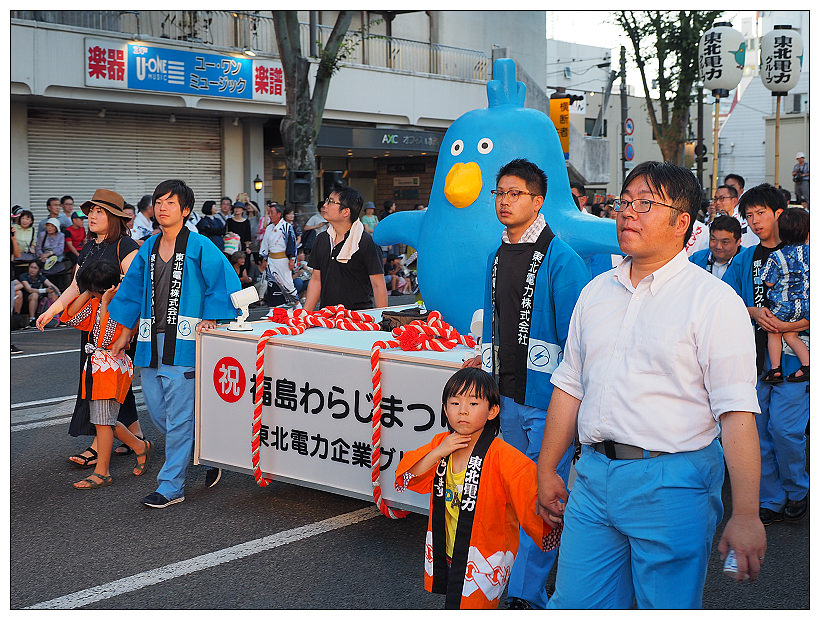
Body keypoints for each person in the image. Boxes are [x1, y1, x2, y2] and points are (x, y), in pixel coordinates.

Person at [537, 161, 766, 609]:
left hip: (673, 481)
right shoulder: (596, 291)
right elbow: (569, 386)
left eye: (645, 204)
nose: (628, 212)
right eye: (624, 202)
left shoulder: (713, 302)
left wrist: (746, 513)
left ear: (683, 223)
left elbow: (737, 413)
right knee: (573, 604)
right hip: (593, 476)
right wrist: (547, 469)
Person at [462, 158, 589, 609]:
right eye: (499, 193)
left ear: (538, 201)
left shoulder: (562, 258)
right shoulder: (497, 255)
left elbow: (579, 339)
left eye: (515, 194)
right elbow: (492, 324)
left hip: (548, 398)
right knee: (514, 493)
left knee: (541, 492)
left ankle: (526, 593)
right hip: (507, 396)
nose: (504, 201)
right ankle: (516, 584)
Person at [108, 179, 241, 508]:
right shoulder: (149, 247)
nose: (162, 207)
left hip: (184, 342)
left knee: (179, 418)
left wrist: (212, 316)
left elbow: (223, 281)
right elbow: (131, 291)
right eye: (158, 202)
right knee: (159, 414)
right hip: (150, 342)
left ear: (185, 210)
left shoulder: (200, 246)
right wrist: (123, 333)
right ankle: (207, 451)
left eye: (170, 202)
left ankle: (171, 487)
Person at [394, 367, 559, 610]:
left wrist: (556, 519)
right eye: (455, 403)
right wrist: (439, 452)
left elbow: (530, 490)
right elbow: (409, 475)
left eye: (473, 403)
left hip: (484, 555)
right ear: (445, 409)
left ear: (492, 411)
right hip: (450, 547)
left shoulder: (502, 455)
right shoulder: (441, 444)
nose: (463, 410)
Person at [37, 189, 145, 465]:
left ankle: (99, 448)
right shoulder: (89, 247)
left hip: (117, 326)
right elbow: (76, 286)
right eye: (91, 212)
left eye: (100, 212)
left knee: (102, 384)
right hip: (92, 325)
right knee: (112, 382)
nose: (92, 216)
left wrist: (126, 332)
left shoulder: (125, 246)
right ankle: (136, 437)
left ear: (114, 217)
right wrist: (51, 310)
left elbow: (137, 289)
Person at [723, 185, 810, 525]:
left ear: (779, 213)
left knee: (786, 431)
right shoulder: (745, 259)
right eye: (749, 216)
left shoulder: (803, 254)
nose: (755, 221)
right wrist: (753, 312)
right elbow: (724, 300)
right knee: (757, 434)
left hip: (792, 359)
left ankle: (798, 490)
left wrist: (795, 324)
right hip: (752, 359)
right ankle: (771, 498)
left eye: (761, 213)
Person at [62, 260, 152, 489]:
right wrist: (88, 292)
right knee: (103, 421)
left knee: (103, 422)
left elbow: (105, 339)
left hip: (112, 368)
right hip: (97, 368)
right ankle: (139, 446)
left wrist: (104, 301)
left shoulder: (122, 304)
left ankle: (102, 472)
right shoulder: (96, 301)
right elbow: (70, 317)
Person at [305, 185, 388, 311]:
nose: (325, 205)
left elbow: (378, 285)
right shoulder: (322, 239)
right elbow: (316, 279)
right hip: (326, 315)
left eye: (331, 202)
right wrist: (305, 315)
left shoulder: (365, 241)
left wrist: (384, 317)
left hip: (358, 316)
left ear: (346, 212)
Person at [759, 207, 809, 383]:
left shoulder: (777, 256)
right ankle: (807, 366)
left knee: (774, 333)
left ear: (780, 233)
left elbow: (768, 282)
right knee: (791, 335)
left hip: (783, 308)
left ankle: (775, 369)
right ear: (807, 234)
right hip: (804, 307)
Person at [260, 203, 300, 309]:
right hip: (271, 260)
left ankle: (297, 304)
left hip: (283, 260)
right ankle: (273, 308)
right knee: (272, 283)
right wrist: (264, 258)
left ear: (279, 214)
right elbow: (265, 244)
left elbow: (292, 244)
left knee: (287, 283)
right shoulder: (269, 228)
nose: (270, 215)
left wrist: (292, 259)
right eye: (269, 213)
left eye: (271, 213)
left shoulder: (287, 227)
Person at [689, 214, 742, 279]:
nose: (718, 246)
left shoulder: (747, 262)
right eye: (713, 239)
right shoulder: (697, 259)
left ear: (738, 241)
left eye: (724, 242)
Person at [18, 260, 60, 326]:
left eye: (35, 268)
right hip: (25, 299)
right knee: (34, 295)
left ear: (39, 270)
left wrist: (58, 293)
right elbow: (29, 290)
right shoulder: (23, 276)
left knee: (53, 294)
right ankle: (32, 319)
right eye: (31, 267)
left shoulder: (40, 277)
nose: (32, 270)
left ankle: (55, 317)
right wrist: (44, 290)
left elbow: (52, 286)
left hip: (39, 300)